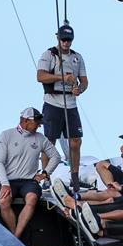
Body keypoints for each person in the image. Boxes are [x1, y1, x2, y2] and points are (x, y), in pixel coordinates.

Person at [0, 107, 61, 238]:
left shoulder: (40, 138)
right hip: (9, 181)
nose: (39, 126)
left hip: (29, 181)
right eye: (36, 123)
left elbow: (56, 156)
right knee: (3, 201)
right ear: (25, 121)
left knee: (32, 198)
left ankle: (16, 236)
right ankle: (15, 234)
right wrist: (4, 183)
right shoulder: (6, 135)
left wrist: (45, 174)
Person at [37, 24, 88, 191]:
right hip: (53, 102)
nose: (66, 43)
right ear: (57, 38)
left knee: (75, 141)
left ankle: (75, 177)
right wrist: (61, 78)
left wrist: (79, 89)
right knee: (49, 142)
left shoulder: (77, 57)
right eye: (63, 39)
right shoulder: (49, 54)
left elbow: (84, 81)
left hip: (71, 103)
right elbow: (40, 76)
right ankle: (46, 177)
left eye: (69, 40)